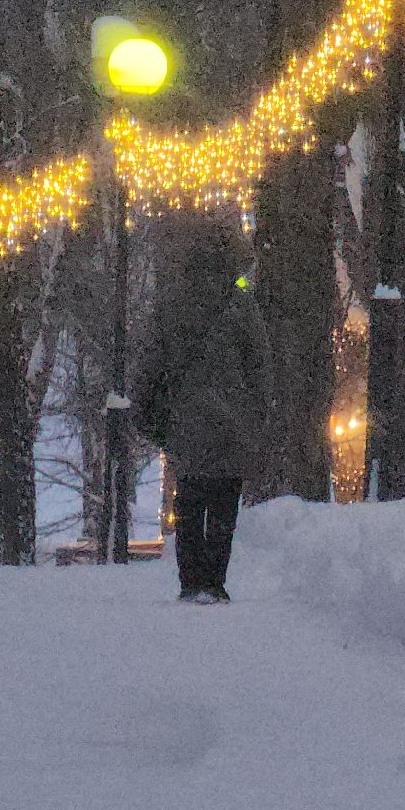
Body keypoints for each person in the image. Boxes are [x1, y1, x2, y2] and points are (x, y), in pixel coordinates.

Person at [135, 220, 273, 604]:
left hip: (187, 420)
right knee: (224, 500)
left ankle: (191, 579)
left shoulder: (172, 303)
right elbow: (259, 364)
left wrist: (148, 412)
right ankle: (214, 580)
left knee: (191, 498)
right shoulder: (240, 302)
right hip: (232, 421)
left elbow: (151, 362)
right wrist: (257, 412)